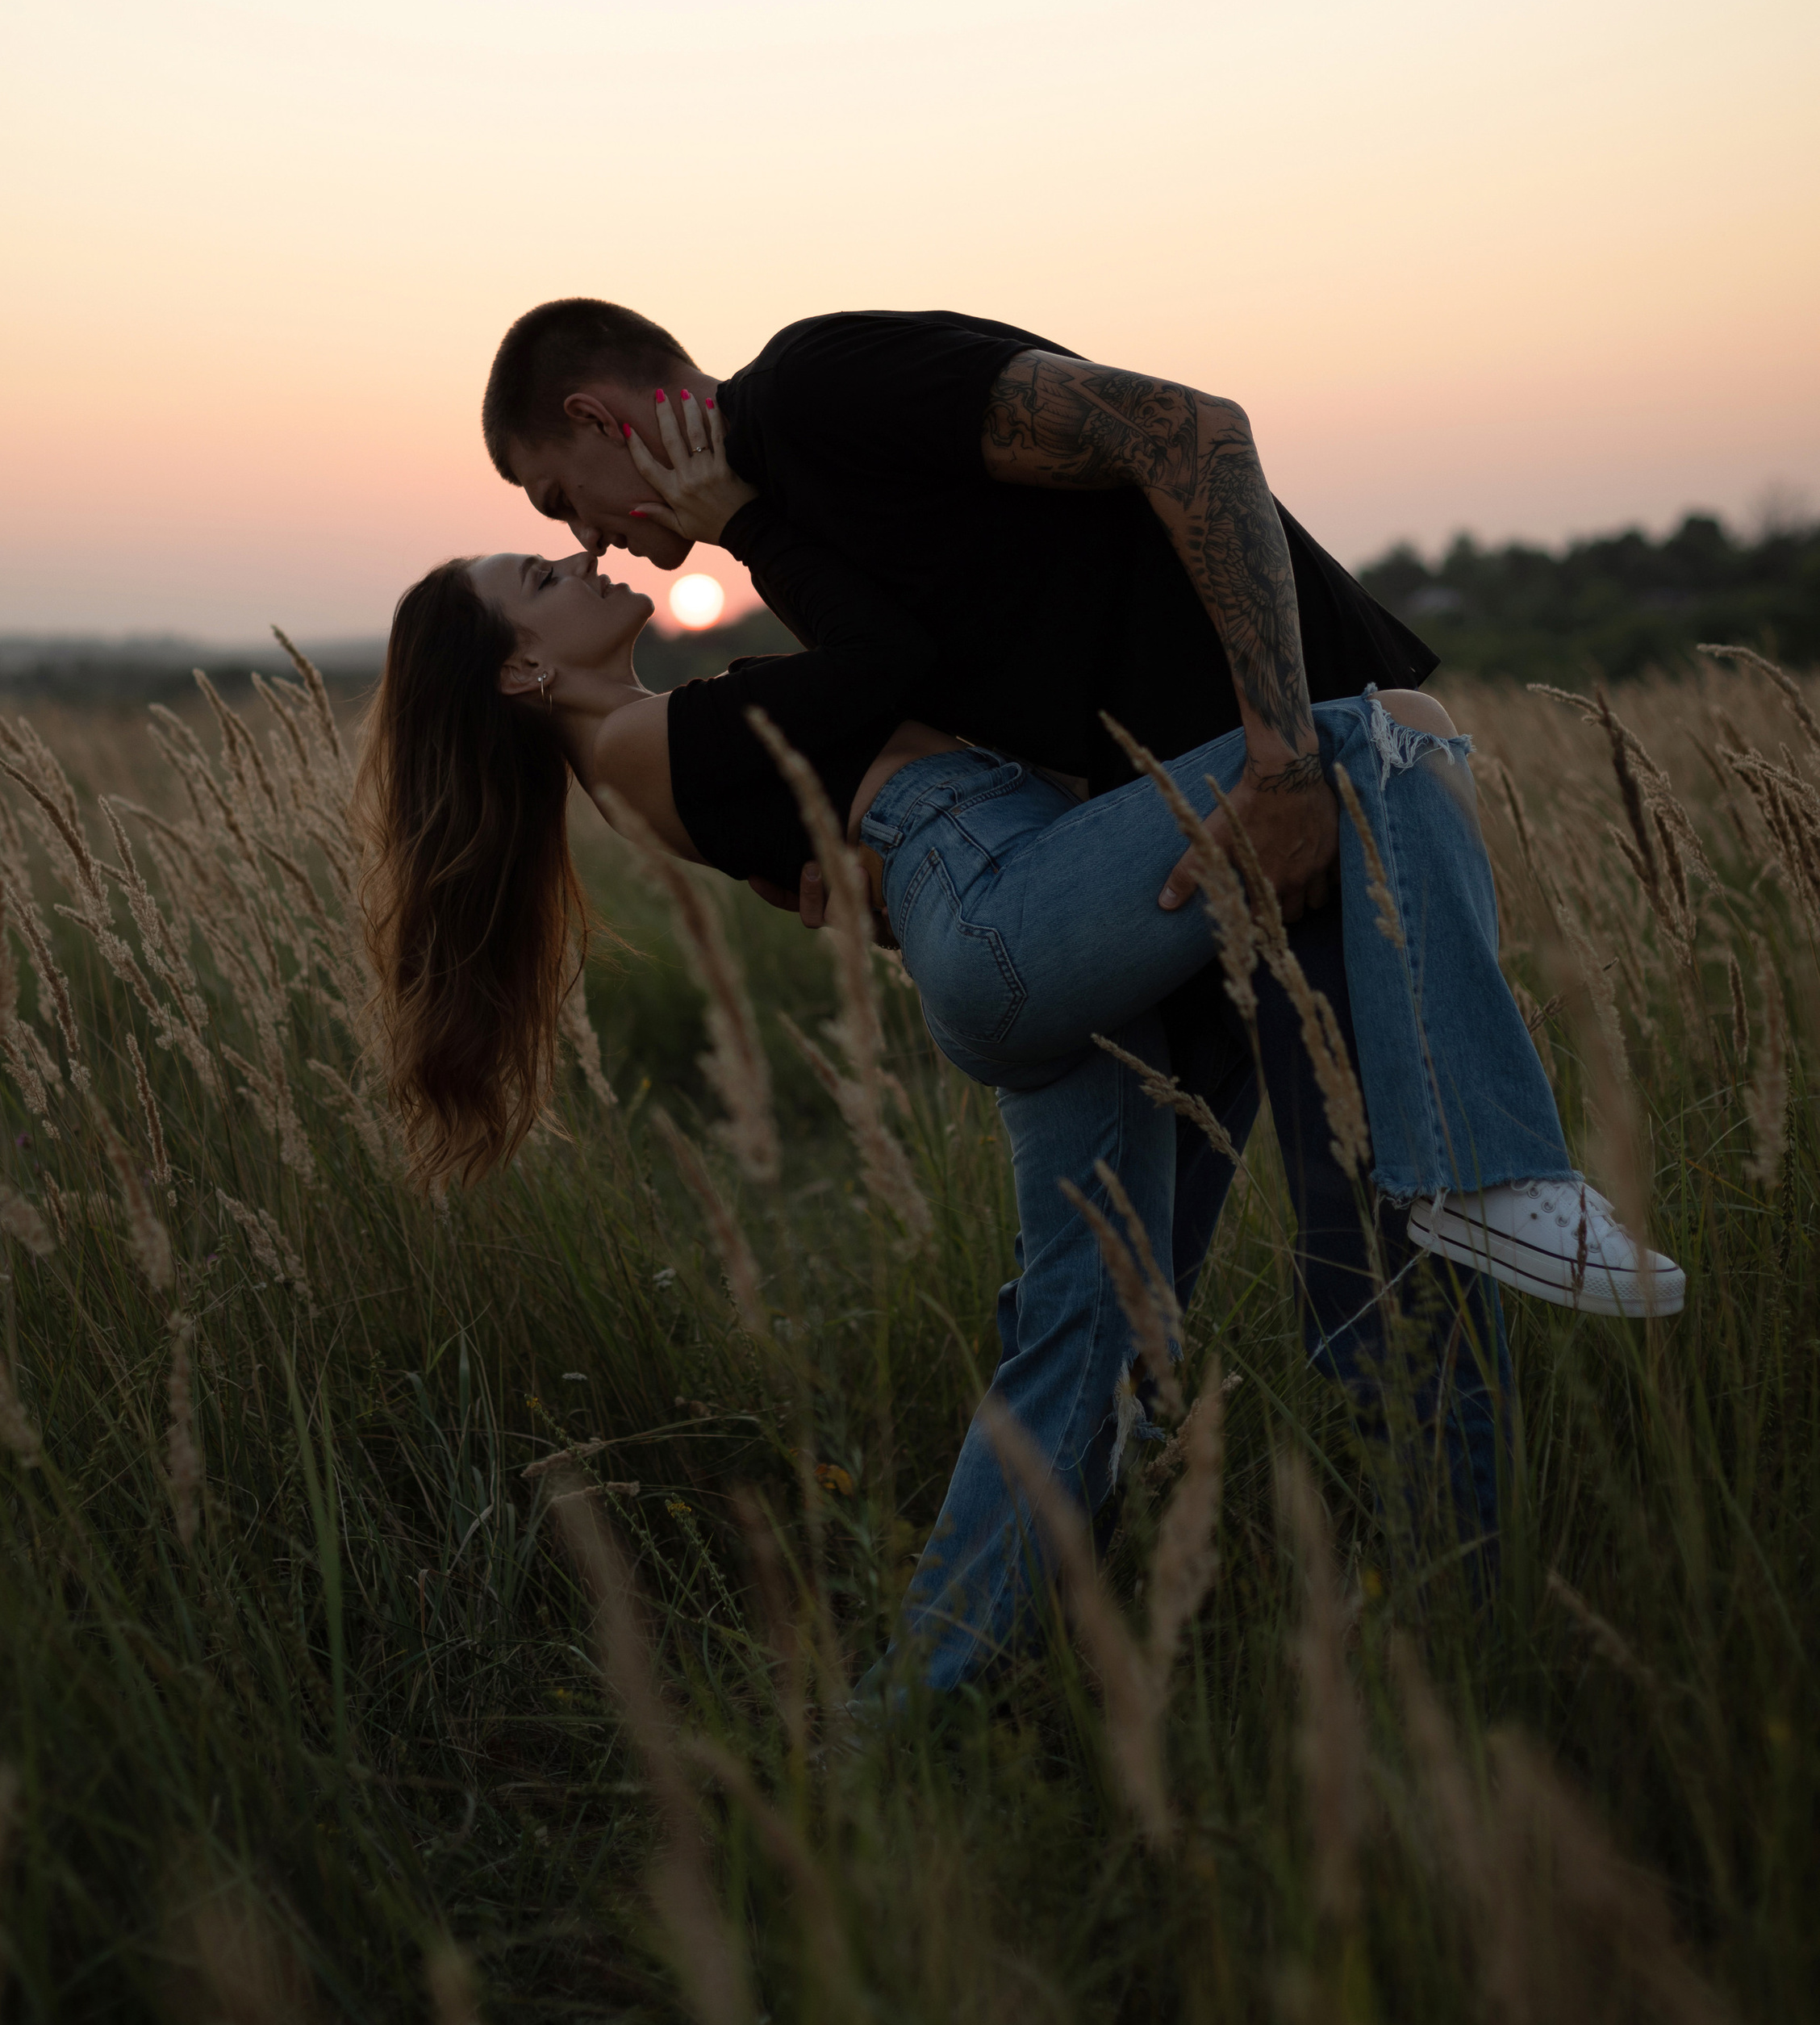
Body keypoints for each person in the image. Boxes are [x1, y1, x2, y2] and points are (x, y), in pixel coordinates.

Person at [362, 391, 1684, 1693]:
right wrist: (750, 523)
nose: (577, 556)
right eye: (537, 571)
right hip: (1008, 921)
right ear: (525, 671)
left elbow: (856, 775)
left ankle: (933, 1685)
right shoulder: (645, 739)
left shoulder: (669, 735)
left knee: (1077, 1322)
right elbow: (887, 658)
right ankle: (1488, 1164)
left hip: (1032, 917)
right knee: (1382, 736)